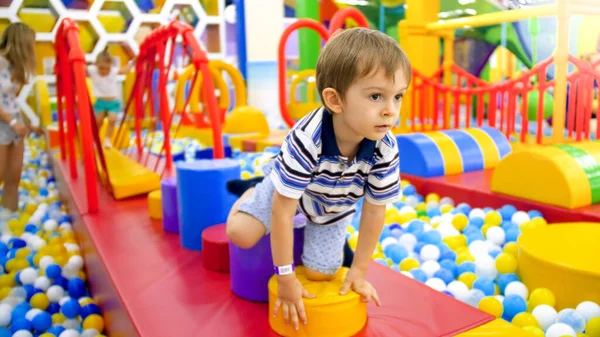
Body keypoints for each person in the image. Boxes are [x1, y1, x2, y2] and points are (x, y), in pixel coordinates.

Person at [225, 27, 411, 330]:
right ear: (335, 101)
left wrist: (358, 272)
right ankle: (252, 193)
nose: (391, 111)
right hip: (288, 193)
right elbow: (283, 211)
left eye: (398, 96)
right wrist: (284, 276)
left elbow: (376, 209)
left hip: (333, 208)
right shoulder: (308, 138)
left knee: (321, 275)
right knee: (241, 234)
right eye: (376, 96)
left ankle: (314, 233)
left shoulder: (385, 147)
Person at [0, 23, 39, 214]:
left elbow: (11, 100)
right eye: (31, 44)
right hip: (3, 123)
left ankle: (8, 217)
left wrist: (25, 122)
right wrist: (13, 122)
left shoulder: (17, 68)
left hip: (14, 122)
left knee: (14, 176)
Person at [88, 48, 134, 148]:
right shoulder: (92, 70)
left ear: (111, 67)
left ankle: (107, 140)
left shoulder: (113, 71)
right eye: (101, 68)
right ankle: (94, 140)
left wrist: (133, 62)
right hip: (100, 102)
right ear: (96, 65)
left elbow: (125, 70)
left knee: (112, 120)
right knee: (97, 122)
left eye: (107, 69)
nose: (104, 71)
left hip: (113, 103)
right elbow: (80, 67)